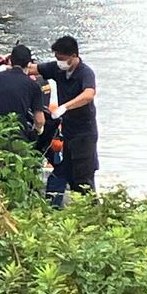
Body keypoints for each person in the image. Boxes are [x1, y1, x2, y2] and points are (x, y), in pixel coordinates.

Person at [29, 35, 98, 204]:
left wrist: (66, 106)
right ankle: (60, 208)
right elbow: (33, 69)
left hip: (84, 133)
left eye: (62, 59)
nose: (59, 62)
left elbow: (88, 94)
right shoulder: (57, 69)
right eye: (57, 59)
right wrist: (11, 65)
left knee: (83, 177)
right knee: (67, 172)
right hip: (67, 131)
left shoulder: (85, 73)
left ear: (74, 56)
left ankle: (93, 213)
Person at [0, 44, 45, 141]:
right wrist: (37, 131)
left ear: (10, 61)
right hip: (16, 139)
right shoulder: (33, 86)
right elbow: (39, 120)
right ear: (29, 64)